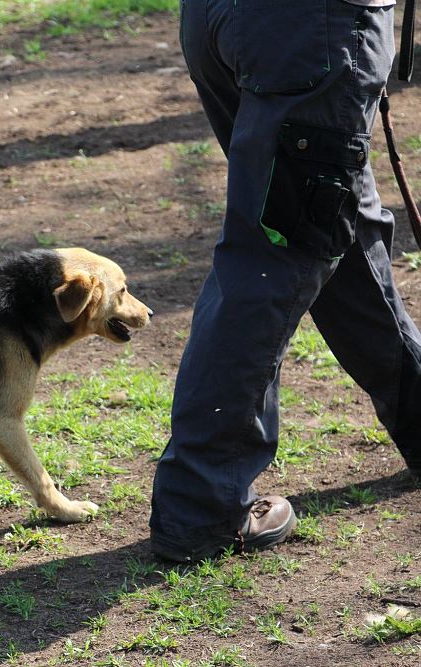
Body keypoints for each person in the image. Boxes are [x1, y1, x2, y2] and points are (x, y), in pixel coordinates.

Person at [150, 0, 421, 562]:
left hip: (227, 19)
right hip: (311, 30)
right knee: (272, 257)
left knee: (326, 228)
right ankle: (202, 508)